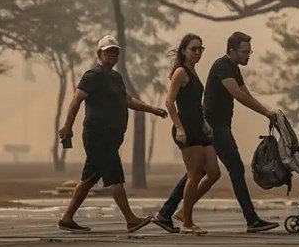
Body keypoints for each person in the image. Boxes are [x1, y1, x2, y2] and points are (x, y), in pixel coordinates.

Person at [154, 31, 279, 233]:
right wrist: (265, 112)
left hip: (208, 125)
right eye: (244, 51)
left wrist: (267, 111)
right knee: (233, 168)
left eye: (250, 51)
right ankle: (251, 219)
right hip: (213, 125)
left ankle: (169, 212)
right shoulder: (222, 66)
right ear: (232, 51)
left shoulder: (231, 68)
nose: (248, 55)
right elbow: (237, 94)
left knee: (203, 172)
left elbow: (244, 91)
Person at [57, 35, 169, 233]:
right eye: (108, 51)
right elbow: (76, 101)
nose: (112, 55)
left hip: (111, 137)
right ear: (99, 53)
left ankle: (67, 218)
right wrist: (68, 126)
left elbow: (127, 100)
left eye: (115, 52)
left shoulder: (116, 77)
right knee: (116, 177)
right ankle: (131, 219)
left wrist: (152, 109)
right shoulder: (92, 75)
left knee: (88, 179)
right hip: (98, 136)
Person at [164, 34, 220, 234]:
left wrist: (205, 123)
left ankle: (183, 210)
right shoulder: (180, 72)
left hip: (199, 126)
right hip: (186, 126)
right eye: (193, 49)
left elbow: (195, 104)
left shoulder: (194, 72)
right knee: (194, 175)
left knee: (214, 172)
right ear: (183, 51)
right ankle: (187, 222)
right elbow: (169, 102)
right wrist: (179, 127)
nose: (197, 53)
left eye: (200, 49)